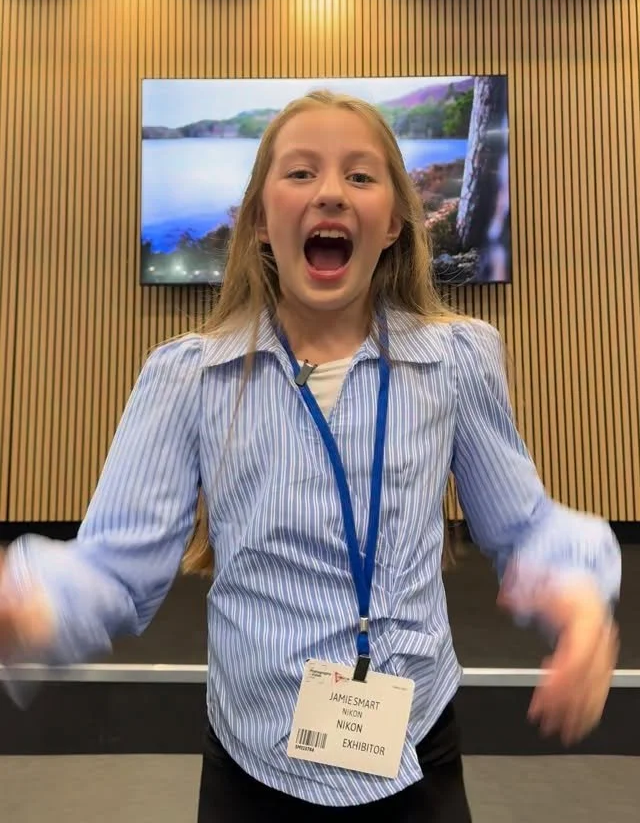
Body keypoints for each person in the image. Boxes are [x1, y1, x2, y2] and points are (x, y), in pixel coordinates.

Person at [0, 89, 620, 821]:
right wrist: (30, 602)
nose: (330, 192)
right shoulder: (188, 377)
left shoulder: (456, 359)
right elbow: (113, 564)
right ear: (261, 220)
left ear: (394, 221)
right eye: (300, 173)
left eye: (360, 175)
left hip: (415, 751)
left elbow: (524, 524)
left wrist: (580, 599)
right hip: (253, 764)